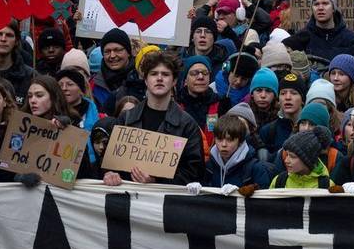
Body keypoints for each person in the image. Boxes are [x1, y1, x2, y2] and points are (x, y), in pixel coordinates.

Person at [103, 52, 205, 186]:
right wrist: (110, 173)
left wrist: (156, 181)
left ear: (174, 81)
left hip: (165, 198)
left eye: (165, 74)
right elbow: (109, 162)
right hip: (127, 195)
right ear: (145, 80)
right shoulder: (126, 119)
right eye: (154, 74)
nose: (159, 78)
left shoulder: (187, 125)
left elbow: (194, 173)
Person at [283, 0, 354, 68]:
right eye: (316, 4)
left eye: (325, 3)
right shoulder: (303, 36)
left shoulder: (349, 38)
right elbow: (280, 51)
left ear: (333, 8)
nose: (320, 8)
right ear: (312, 9)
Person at [191, 113, 274, 192]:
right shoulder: (208, 167)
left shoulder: (256, 169)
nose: (224, 144)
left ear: (240, 142)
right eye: (219, 139)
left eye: (230, 140)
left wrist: (240, 192)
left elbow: (263, 200)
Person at [92, 28, 140, 115]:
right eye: (107, 51)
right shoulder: (93, 84)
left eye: (117, 50)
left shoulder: (141, 80)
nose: (112, 55)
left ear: (128, 52)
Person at [270, 126, 334, 189]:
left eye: (292, 157)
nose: (286, 160)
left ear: (307, 159)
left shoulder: (326, 185)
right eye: (287, 155)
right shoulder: (279, 181)